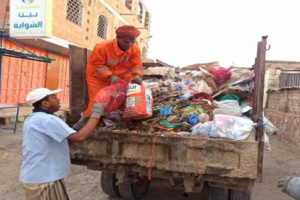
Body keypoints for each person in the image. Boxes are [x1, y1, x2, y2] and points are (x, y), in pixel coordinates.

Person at [19, 88, 105, 200]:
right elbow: (79, 137)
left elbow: (62, 132)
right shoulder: (46, 119)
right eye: (54, 98)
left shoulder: (34, 118)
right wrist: (96, 115)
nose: (58, 100)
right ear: (45, 103)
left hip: (41, 175)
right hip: (44, 178)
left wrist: (81, 123)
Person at [73, 25, 144, 130]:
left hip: (119, 78)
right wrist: (110, 76)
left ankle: (114, 121)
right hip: (97, 78)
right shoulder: (102, 47)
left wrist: (138, 75)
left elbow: (136, 65)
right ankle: (83, 127)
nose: (129, 45)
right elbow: (98, 65)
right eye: (125, 42)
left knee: (121, 98)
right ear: (118, 38)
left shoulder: (135, 50)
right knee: (98, 101)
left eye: (132, 42)